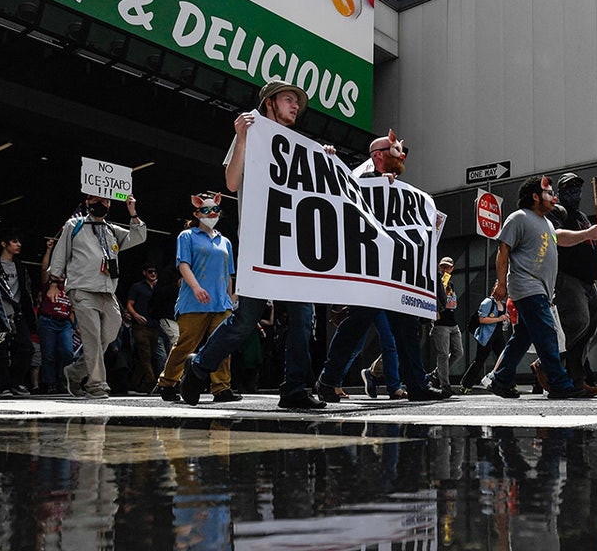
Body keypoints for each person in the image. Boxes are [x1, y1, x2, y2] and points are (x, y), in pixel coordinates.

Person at [180, 81, 329, 410]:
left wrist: (325, 161)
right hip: (261, 243)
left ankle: (294, 389)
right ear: (270, 103)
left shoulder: (300, 145)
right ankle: (199, 366)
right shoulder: (252, 133)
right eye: (289, 99)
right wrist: (243, 137)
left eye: (297, 103)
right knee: (246, 320)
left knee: (302, 317)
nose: (295, 106)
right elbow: (232, 183)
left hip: (294, 246)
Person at [313, 131, 447, 403]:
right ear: (378, 155)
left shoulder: (396, 190)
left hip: (394, 272)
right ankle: (328, 380)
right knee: (357, 324)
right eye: (397, 150)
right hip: (370, 271)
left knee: (404, 328)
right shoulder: (360, 182)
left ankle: (416, 384)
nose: (403, 155)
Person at [485, 175, 597, 400]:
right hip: (527, 287)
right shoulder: (518, 218)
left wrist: (589, 235)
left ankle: (501, 380)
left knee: (522, 337)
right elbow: (503, 252)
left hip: (541, 290)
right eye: (549, 193)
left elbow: (563, 240)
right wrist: (501, 284)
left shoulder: (547, 223)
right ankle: (559, 382)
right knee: (547, 335)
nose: (555, 197)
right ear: (534, 196)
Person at [48, 193, 146, 400]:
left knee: (108, 335)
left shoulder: (111, 230)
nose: (101, 204)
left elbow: (138, 236)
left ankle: (74, 372)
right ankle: (97, 385)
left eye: (105, 201)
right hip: (82, 289)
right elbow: (60, 254)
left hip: (108, 291)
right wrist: (54, 282)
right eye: (96, 200)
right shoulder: (74, 225)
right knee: (92, 336)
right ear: (87, 202)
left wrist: (132, 211)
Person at [155, 193, 242, 403]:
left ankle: (221, 387)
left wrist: (231, 297)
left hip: (221, 302)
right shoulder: (187, 236)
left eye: (215, 210)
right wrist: (195, 287)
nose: (212, 214)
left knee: (222, 345)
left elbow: (228, 273)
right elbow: (183, 264)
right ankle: (167, 382)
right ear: (196, 213)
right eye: (206, 210)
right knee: (186, 344)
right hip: (194, 301)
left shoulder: (225, 241)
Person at [550, 173, 597, 396]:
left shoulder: (582, 216)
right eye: (570, 189)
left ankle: (577, 378)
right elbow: (555, 236)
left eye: (577, 189)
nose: (575, 193)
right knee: (577, 324)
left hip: (588, 282)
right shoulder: (557, 211)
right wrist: (588, 233)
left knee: (588, 331)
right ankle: (549, 367)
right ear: (561, 192)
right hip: (568, 277)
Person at [0, 231, 37, 396]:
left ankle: (16, 382)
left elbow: (27, 291)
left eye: (19, 242)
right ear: (4, 244)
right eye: (14, 241)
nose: (18, 245)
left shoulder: (20, 266)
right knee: (0, 350)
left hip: (17, 311)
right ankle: (3, 386)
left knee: (26, 347)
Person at [36, 235, 74, 394]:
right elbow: (44, 268)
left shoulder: (69, 288)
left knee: (67, 352)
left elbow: (73, 308)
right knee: (49, 354)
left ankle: (64, 381)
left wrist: (76, 324)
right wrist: (49, 249)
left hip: (64, 322)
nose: (62, 275)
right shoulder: (49, 286)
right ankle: (50, 383)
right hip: (48, 321)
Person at [458, 280, 510, 393]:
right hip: (487, 335)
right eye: (500, 286)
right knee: (480, 360)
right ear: (495, 289)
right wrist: (499, 319)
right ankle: (466, 385)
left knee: (505, 358)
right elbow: (482, 319)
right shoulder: (487, 302)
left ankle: (508, 383)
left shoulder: (504, 304)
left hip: (498, 334)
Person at [429, 257, 462, 393]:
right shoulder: (435, 282)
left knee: (458, 352)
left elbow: (452, 302)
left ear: (452, 269)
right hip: (441, 323)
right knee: (443, 354)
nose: (445, 270)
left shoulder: (451, 284)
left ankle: (435, 374)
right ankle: (445, 385)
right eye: (443, 267)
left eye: (448, 267)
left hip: (453, 322)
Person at [125, 264, 160, 393]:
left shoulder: (157, 288)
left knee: (148, 356)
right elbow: (129, 304)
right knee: (145, 355)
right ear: (144, 272)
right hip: (140, 326)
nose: (153, 274)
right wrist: (135, 315)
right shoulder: (137, 287)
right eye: (150, 271)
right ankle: (152, 383)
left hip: (154, 325)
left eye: (155, 272)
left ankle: (135, 384)